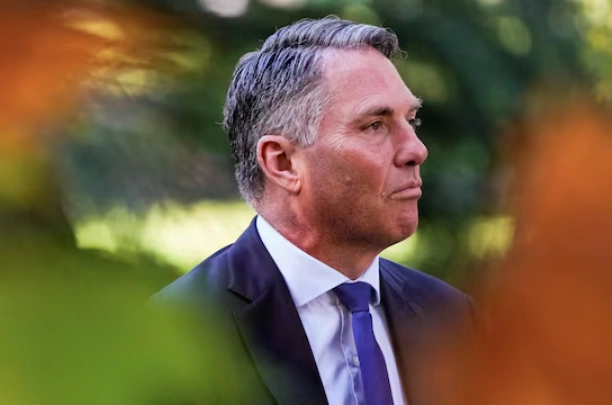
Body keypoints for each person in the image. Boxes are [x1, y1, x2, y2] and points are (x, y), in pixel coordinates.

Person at [153, 16, 475, 405]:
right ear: (283, 163)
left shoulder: (451, 315)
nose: (416, 150)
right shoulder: (178, 333)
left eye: (411, 120)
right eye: (375, 125)